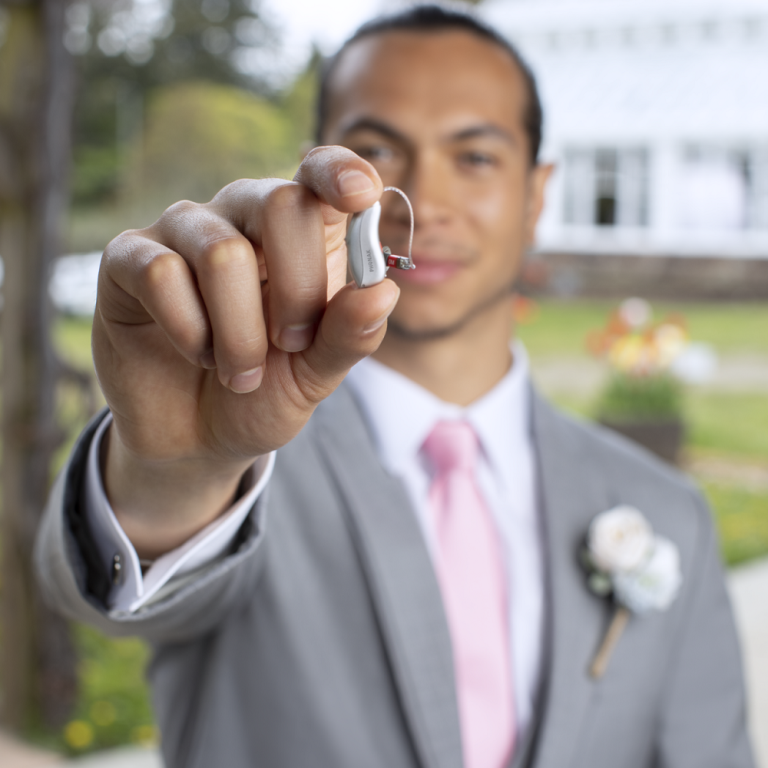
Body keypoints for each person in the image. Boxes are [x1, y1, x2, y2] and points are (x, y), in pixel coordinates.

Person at [36, 6, 754, 768]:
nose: (428, 201)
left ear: (537, 195)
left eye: (475, 156)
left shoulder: (670, 514)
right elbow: (113, 590)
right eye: (377, 150)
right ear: (319, 180)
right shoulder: (242, 469)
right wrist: (177, 468)